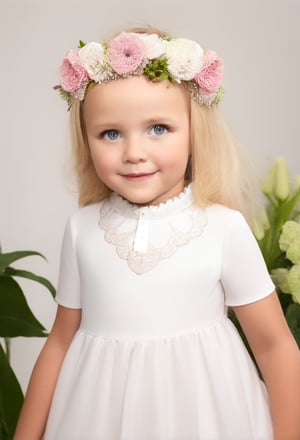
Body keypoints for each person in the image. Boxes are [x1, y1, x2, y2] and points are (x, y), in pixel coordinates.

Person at [14, 27, 300, 440]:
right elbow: (60, 341)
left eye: (158, 128)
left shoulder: (223, 227)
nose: (133, 152)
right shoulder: (81, 229)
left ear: (194, 131)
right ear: (86, 140)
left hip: (206, 417)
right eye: (110, 134)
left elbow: (275, 345)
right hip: (96, 416)